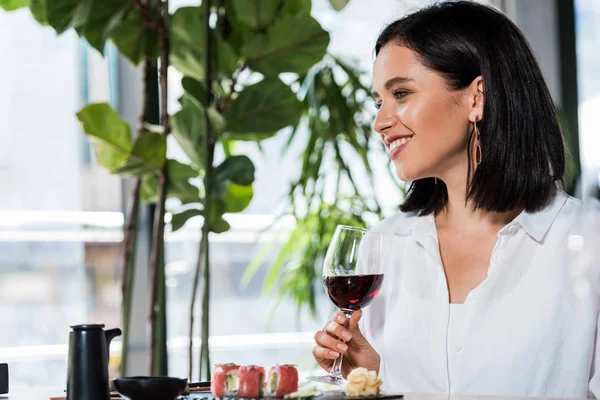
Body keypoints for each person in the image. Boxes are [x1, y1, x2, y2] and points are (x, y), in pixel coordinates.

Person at [312, 1, 599, 398]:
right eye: (379, 101)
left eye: (400, 93)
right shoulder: (386, 246)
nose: (380, 122)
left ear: (475, 98)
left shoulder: (588, 240)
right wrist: (376, 376)